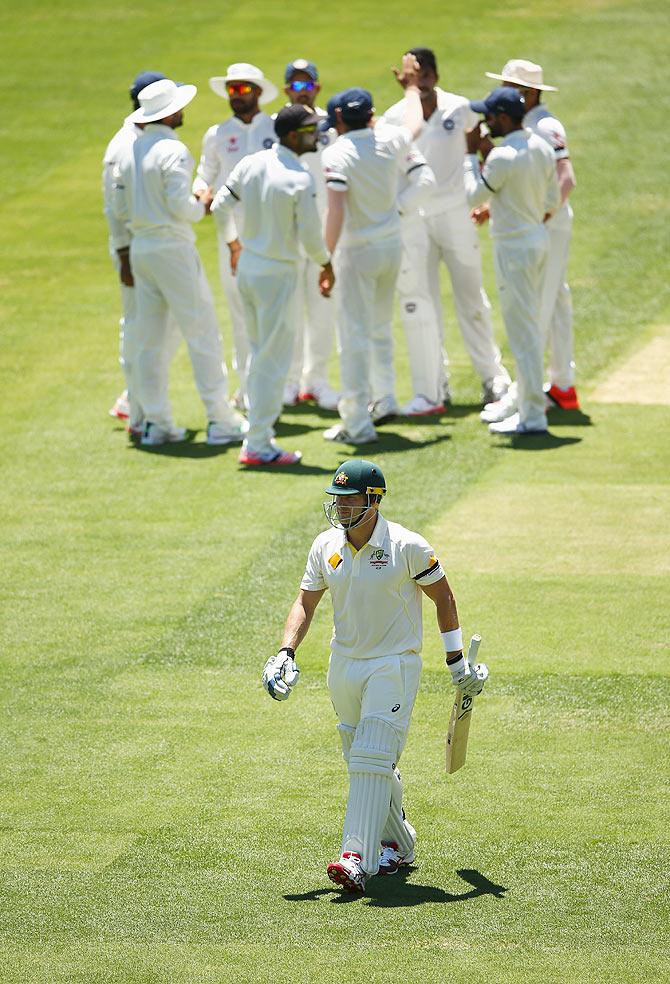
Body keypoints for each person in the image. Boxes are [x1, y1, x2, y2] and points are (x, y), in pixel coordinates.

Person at [262, 458, 488, 893]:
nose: (341, 509)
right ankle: (399, 843)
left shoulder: (407, 546)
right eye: (337, 501)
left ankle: (355, 857)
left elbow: (443, 597)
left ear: (374, 500)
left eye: (350, 502)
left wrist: (456, 662)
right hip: (343, 665)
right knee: (363, 757)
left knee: (370, 755)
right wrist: (286, 651)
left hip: (394, 663)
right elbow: (305, 603)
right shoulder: (324, 546)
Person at [113, 78, 247, 446]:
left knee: (151, 339)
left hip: (141, 249)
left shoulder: (131, 148)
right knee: (202, 332)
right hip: (172, 249)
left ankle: (156, 423)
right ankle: (220, 419)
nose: (183, 111)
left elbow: (121, 207)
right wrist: (201, 201)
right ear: (169, 114)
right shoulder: (173, 150)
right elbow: (181, 208)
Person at [381, 47, 510, 414]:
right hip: (414, 220)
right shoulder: (394, 118)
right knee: (424, 303)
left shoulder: (460, 108)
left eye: (420, 73)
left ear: (434, 76)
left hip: (456, 213)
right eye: (408, 73)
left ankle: (493, 378)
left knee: (472, 298)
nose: (414, 81)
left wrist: (486, 198)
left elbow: (484, 148)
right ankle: (436, 382)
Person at [211, 105, 334, 466]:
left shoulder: (251, 163)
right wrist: (326, 263)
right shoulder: (299, 178)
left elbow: (220, 207)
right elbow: (311, 237)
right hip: (278, 274)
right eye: (311, 129)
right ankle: (258, 443)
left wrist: (233, 244)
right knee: (271, 361)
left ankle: (258, 436)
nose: (317, 135)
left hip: (248, 268)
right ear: (294, 136)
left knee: (259, 353)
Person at [321, 57, 436, 445]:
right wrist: (410, 87)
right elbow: (417, 124)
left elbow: (335, 212)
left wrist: (324, 259)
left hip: (357, 254)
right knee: (378, 327)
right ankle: (384, 398)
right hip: (390, 248)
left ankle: (356, 422)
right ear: (370, 116)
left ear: (339, 118)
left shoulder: (336, 154)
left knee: (353, 335)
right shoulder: (389, 137)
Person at [464, 87, 560, 435]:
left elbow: (471, 196)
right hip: (536, 240)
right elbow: (552, 201)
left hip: (515, 249)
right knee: (528, 328)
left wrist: (469, 155)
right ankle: (526, 405)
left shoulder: (502, 156)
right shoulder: (541, 147)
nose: (485, 123)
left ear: (503, 117)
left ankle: (533, 416)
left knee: (524, 334)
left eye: (489, 116)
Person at [483, 59, 578, 411]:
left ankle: (525, 395)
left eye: (512, 88)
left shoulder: (546, 126)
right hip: (540, 224)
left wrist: (538, 217)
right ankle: (563, 386)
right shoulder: (527, 123)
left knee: (536, 307)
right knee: (555, 302)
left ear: (531, 92)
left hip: (545, 228)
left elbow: (566, 180)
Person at [194, 64, 278, 406]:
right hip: (231, 232)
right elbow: (204, 175)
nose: (236, 97)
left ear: (258, 92)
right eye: (232, 91)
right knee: (240, 309)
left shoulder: (275, 128)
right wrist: (202, 192)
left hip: (272, 230)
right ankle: (247, 387)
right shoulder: (217, 133)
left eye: (243, 90)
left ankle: (279, 385)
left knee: (273, 310)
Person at [103, 70, 179, 434]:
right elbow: (113, 207)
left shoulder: (141, 139)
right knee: (139, 330)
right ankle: (135, 408)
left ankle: (136, 403)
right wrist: (122, 254)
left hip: (143, 249)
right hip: (134, 251)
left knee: (154, 330)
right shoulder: (123, 145)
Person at [280, 59, 340, 412]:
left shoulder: (331, 130)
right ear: (286, 88)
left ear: (317, 87)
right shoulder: (279, 127)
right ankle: (288, 382)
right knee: (288, 312)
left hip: (322, 235)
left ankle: (316, 381)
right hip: (287, 237)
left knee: (322, 311)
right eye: (295, 86)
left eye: (307, 86)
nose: (301, 92)